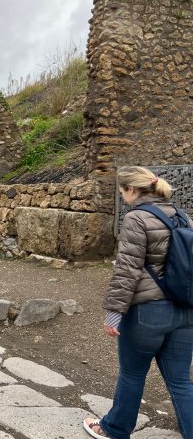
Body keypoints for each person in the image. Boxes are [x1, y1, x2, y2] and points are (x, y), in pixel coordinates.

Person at [84, 166, 193, 439]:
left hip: (148, 313)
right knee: (180, 380)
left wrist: (113, 313)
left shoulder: (136, 218)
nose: (123, 198)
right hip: (185, 312)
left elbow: (127, 270)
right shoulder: (183, 217)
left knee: (133, 374)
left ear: (132, 190)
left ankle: (114, 430)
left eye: (123, 192)